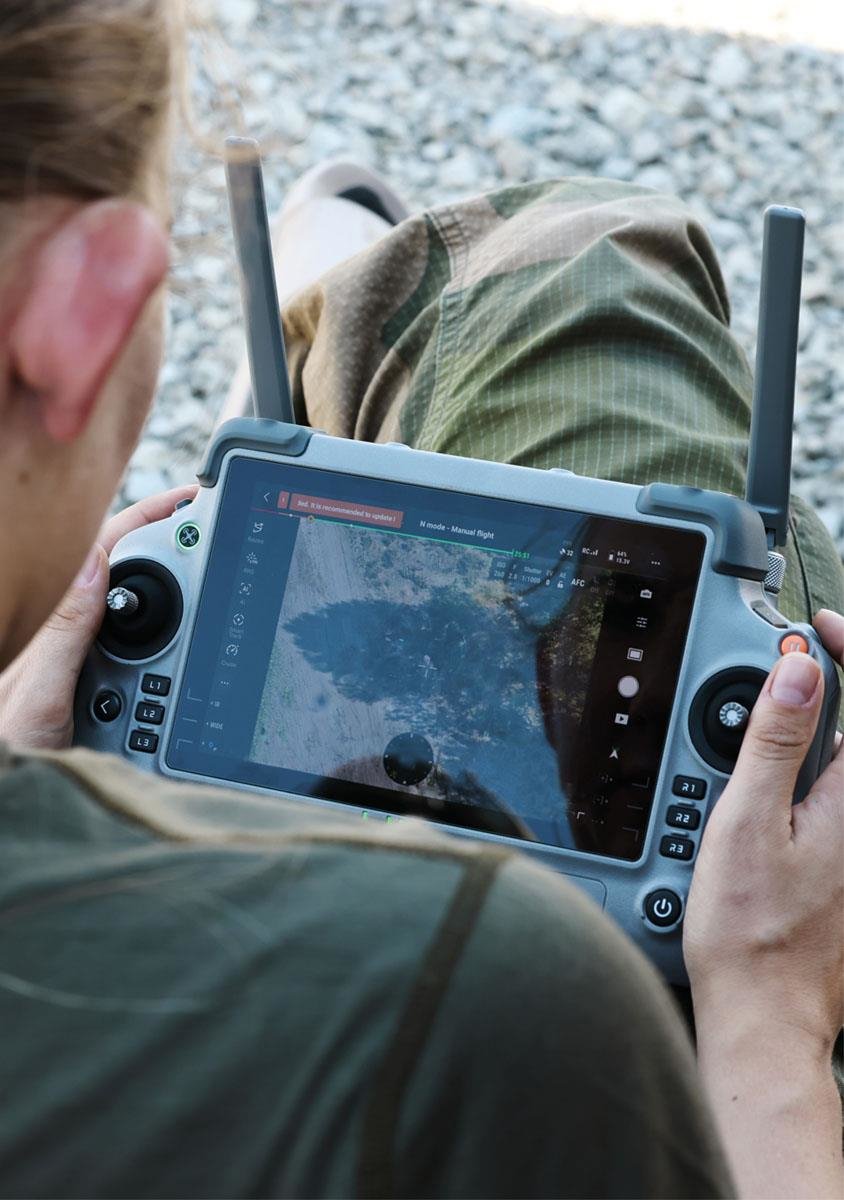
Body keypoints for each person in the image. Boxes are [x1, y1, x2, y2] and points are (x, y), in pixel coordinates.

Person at [0, 3, 841, 1198]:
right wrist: (771, 1014)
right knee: (581, 270)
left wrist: (34, 793)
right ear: (88, 312)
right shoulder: (486, 994)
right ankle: (344, 293)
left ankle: (328, 313)